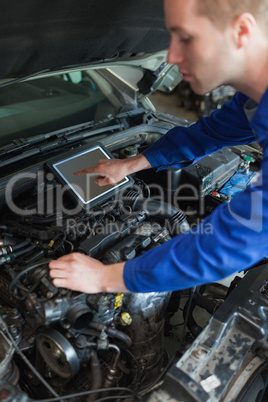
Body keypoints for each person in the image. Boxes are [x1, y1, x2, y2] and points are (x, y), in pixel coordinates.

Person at [49, 0, 268, 294]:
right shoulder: (252, 101)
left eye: (186, 38)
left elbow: (235, 239)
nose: (173, 56)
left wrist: (105, 278)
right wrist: (131, 164)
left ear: (242, 31)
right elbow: (208, 133)